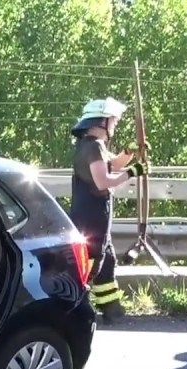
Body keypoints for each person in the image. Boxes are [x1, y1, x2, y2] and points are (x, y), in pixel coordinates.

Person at [68, 97, 147, 323]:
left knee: (107, 261)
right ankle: (75, 311)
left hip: (91, 217)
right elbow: (103, 181)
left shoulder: (91, 145)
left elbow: (111, 164)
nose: (115, 124)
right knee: (92, 264)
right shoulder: (93, 147)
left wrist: (129, 152)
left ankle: (112, 310)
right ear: (101, 122)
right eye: (113, 120)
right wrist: (133, 172)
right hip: (92, 218)